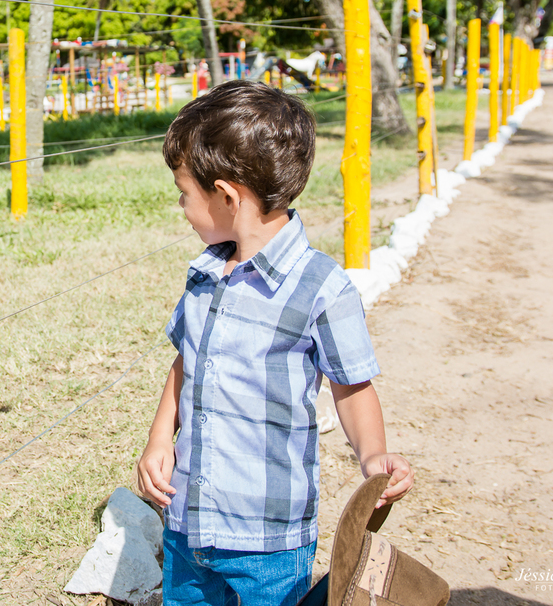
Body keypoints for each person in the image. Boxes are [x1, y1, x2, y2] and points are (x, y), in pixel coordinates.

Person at [137, 80, 413, 606]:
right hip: (188, 520)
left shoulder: (322, 287)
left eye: (184, 193)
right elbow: (185, 362)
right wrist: (158, 440)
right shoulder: (204, 275)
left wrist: (373, 454)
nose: (181, 205)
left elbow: (351, 386)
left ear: (226, 196)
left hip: (269, 538)